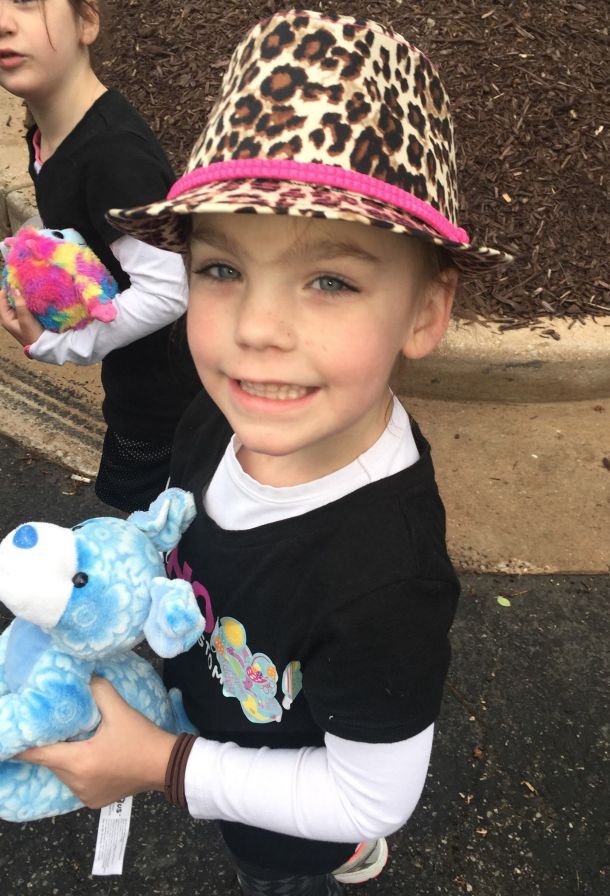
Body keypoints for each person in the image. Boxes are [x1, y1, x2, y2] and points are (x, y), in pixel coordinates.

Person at [18, 9, 513, 894]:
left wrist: (163, 764)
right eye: (221, 269)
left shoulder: (384, 577)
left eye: (331, 280)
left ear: (427, 312)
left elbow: (367, 795)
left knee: (280, 866)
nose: (254, 331)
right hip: (202, 712)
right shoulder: (217, 419)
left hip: (285, 827)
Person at [0, 0, 200, 512]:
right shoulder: (48, 133)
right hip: (138, 387)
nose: (3, 21)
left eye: (25, 1)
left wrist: (61, 346)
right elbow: (80, 231)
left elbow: (168, 291)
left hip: (168, 405)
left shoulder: (113, 154)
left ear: (87, 21)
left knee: (149, 529)